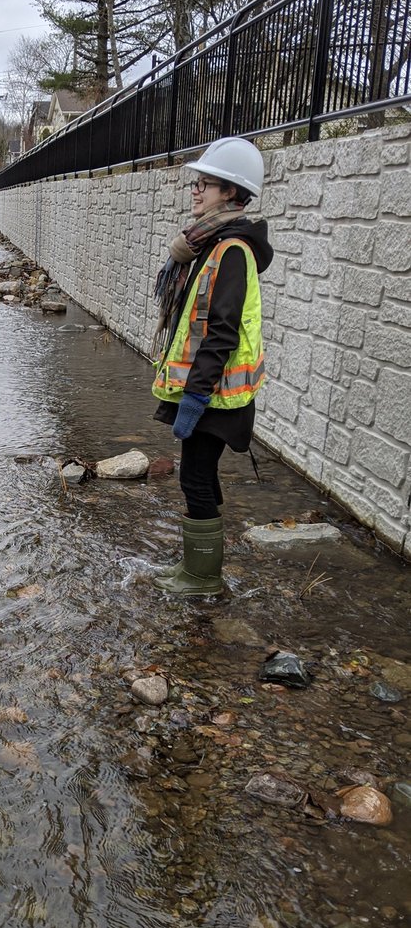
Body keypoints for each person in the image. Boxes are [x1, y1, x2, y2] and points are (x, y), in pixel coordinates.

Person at [151, 137, 273, 596]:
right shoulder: (212, 243)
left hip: (217, 396)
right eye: (196, 183)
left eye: (205, 184)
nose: (195, 191)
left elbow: (220, 333)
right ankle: (195, 568)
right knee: (198, 474)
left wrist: (196, 397)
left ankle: (202, 578)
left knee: (195, 476)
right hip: (211, 392)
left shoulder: (233, 251)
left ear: (231, 192)